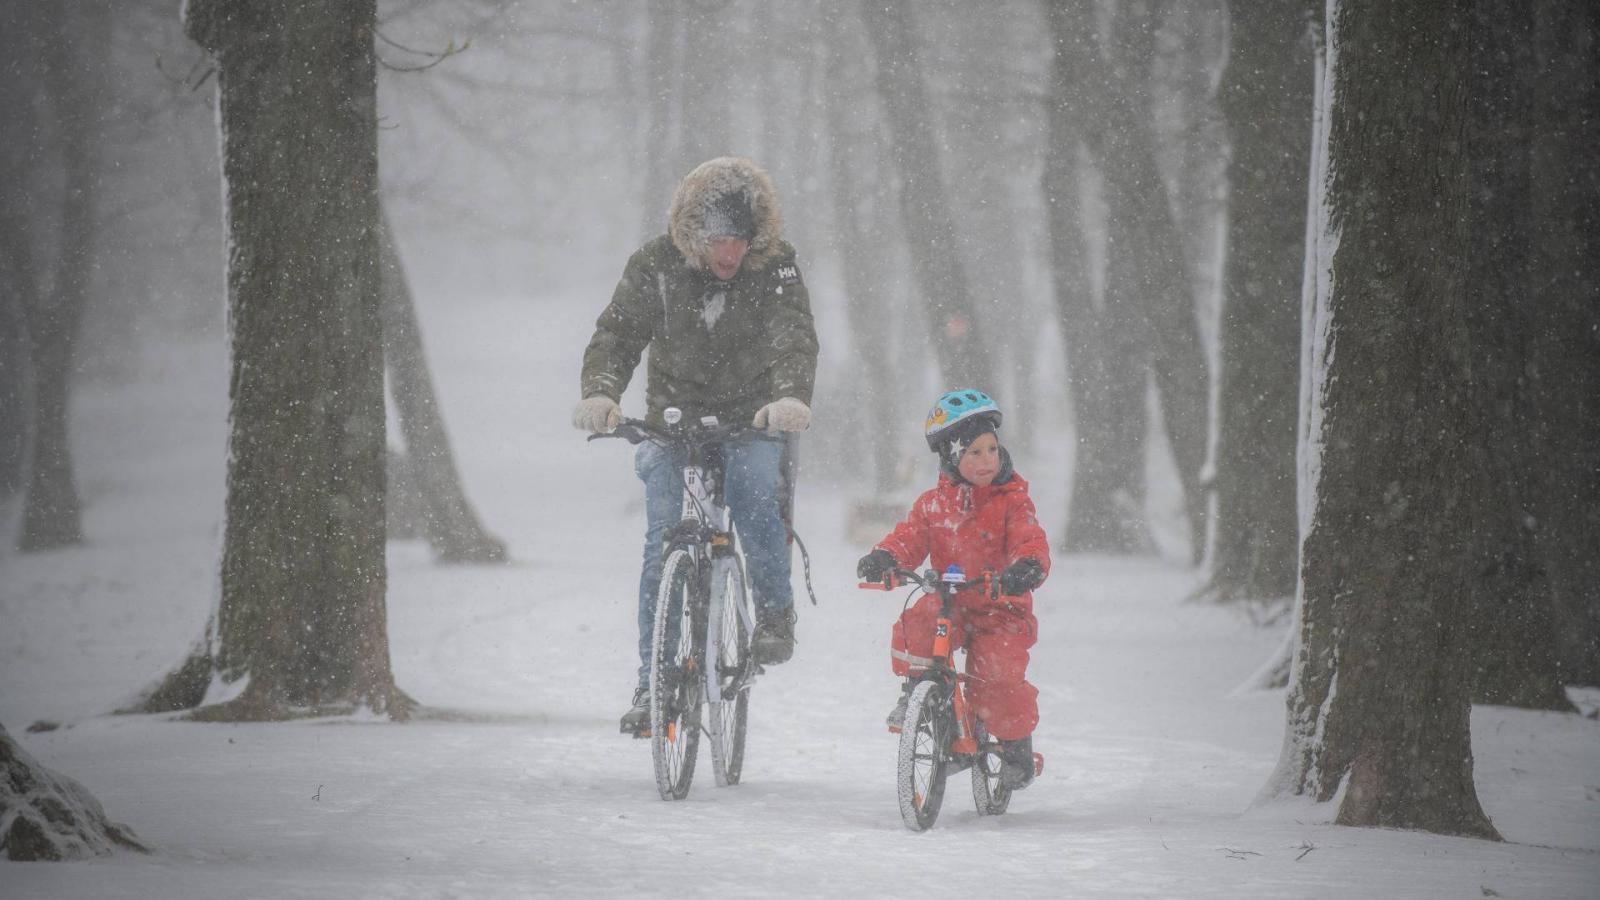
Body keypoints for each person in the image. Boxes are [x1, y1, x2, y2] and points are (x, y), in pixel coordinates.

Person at [574, 157, 819, 735]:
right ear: (693, 236)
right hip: (673, 422)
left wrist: (788, 398)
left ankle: (774, 616)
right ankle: (652, 681)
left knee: (756, 491)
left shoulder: (776, 267)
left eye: (738, 240)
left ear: (753, 237)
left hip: (752, 418)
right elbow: (617, 334)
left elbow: (794, 337)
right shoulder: (656, 265)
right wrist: (601, 393)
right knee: (662, 537)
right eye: (716, 241)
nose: (728, 254)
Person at [855, 389, 1049, 789]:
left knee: (997, 677)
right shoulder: (933, 506)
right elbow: (909, 539)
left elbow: (1030, 540)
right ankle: (921, 693)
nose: (986, 460)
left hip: (1001, 607)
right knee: (918, 620)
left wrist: (1026, 567)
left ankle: (1015, 747)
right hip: (951, 602)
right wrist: (887, 558)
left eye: (992, 449)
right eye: (973, 452)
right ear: (952, 457)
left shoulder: (1013, 502)